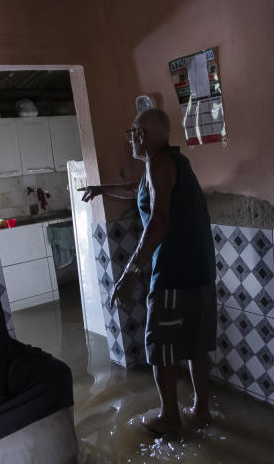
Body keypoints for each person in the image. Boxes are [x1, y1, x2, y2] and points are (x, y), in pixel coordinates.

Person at [81, 108, 216, 436]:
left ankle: (170, 418)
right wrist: (102, 189)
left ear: (144, 135)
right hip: (200, 269)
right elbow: (137, 190)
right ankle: (200, 409)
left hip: (173, 272)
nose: (131, 139)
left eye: (134, 132)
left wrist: (129, 273)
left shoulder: (158, 164)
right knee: (196, 342)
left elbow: (158, 220)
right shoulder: (174, 161)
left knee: (161, 345)